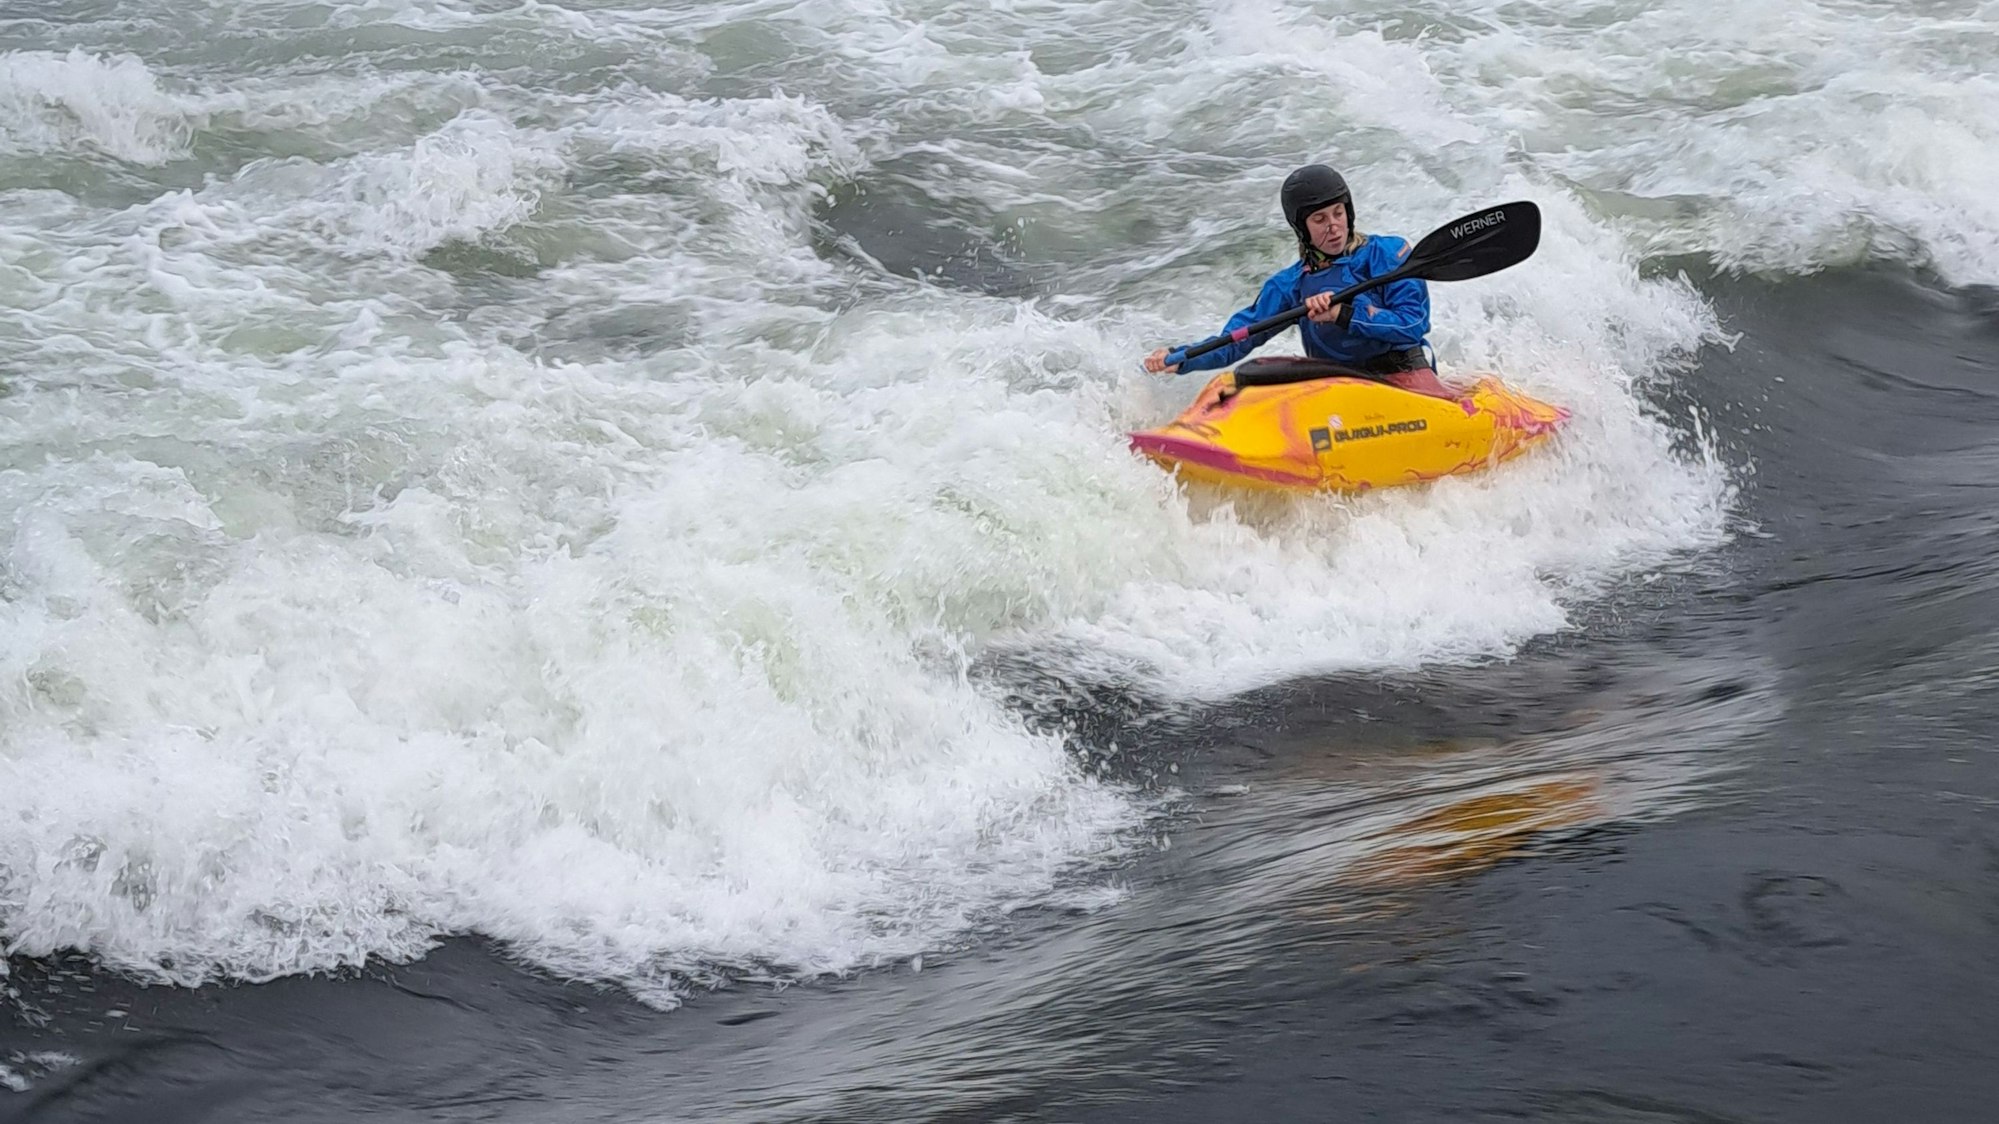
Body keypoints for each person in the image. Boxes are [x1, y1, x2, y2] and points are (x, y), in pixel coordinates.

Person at [1143, 164, 1454, 398]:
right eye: (1319, 219)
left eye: (1338, 213)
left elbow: (1412, 324)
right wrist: (1182, 358)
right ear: (1302, 228)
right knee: (1254, 373)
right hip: (1338, 382)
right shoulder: (1289, 285)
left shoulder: (1388, 255)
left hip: (1402, 375)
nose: (1333, 226)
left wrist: (1342, 314)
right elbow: (1239, 338)